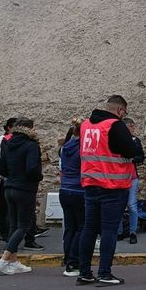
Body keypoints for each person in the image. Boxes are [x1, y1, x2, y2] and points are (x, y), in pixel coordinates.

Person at [76, 95, 138, 287]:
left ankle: (84, 272)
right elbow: (130, 150)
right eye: (124, 113)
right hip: (112, 184)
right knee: (109, 230)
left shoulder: (86, 125)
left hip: (90, 182)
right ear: (120, 110)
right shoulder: (115, 125)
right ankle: (105, 272)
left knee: (89, 229)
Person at [0, 118, 42, 275]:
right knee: (24, 226)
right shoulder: (31, 145)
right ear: (31, 129)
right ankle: (4, 258)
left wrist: (13, 176)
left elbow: (1, 168)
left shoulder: (8, 144)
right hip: (25, 189)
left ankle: (13, 262)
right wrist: (38, 177)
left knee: (14, 226)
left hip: (9, 187)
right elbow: (32, 169)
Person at [58, 117, 84, 276]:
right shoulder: (82, 147)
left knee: (70, 227)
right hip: (79, 189)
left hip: (64, 189)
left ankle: (68, 259)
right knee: (81, 227)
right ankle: (74, 263)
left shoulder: (65, 147)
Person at [117, 117, 145, 245]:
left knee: (132, 206)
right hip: (120, 176)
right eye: (132, 126)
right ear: (126, 127)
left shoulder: (135, 141)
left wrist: (132, 159)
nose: (134, 129)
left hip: (132, 176)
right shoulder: (117, 140)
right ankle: (119, 232)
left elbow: (141, 157)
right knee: (119, 206)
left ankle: (133, 232)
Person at [0, 117, 16, 242]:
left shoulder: (7, 140)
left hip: (5, 177)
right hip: (3, 178)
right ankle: (3, 230)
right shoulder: (3, 140)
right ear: (9, 128)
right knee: (4, 207)